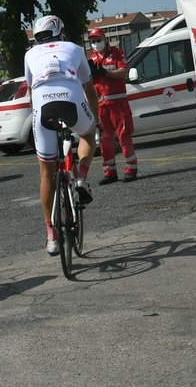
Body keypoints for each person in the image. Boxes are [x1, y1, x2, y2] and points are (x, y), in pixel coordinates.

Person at [24, 13, 99, 257]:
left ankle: (51, 235)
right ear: (60, 32)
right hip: (72, 101)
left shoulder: (29, 54)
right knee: (88, 136)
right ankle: (81, 178)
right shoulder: (75, 48)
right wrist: (95, 121)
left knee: (46, 172)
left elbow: (30, 88)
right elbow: (90, 88)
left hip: (42, 108)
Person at [86, 27, 137, 184]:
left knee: (124, 136)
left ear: (105, 39)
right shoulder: (91, 59)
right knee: (105, 140)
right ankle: (110, 172)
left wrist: (105, 72)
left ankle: (131, 168)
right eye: (93, 41)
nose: (96, 43)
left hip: (118, 104)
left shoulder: (116, 53)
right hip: (101, 105)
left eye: (98, 40)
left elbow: (123, 73)